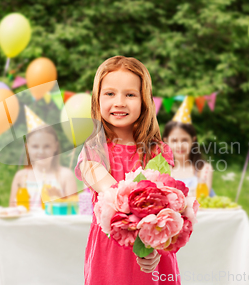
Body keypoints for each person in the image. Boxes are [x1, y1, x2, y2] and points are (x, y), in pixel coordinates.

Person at [75, 56, 181, 284]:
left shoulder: (158, 152)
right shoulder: (94, 152)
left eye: (130, 94)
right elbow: (113, 198)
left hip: (153, 250)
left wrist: (154, 246)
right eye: (110, 93)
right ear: (97, 99)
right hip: (111, 255)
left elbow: (164, 205)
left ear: (144, 101)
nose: (120, 102)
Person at [10, 105, 77, 209]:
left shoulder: (65, 176)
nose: (41, 152)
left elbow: (75, 211)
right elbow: (12, 211)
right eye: (35, 146)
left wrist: (60, 200)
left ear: (55, 146)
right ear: (27, 148)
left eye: (47, 146)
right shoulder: (21, 177)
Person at [162, 96, 215, 197]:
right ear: (166, 141)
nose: (180, 145)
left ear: (193, 140)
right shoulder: (164, 171)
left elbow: (203, 197)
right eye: (174, 140)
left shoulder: (203, 169)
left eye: (185, 140)